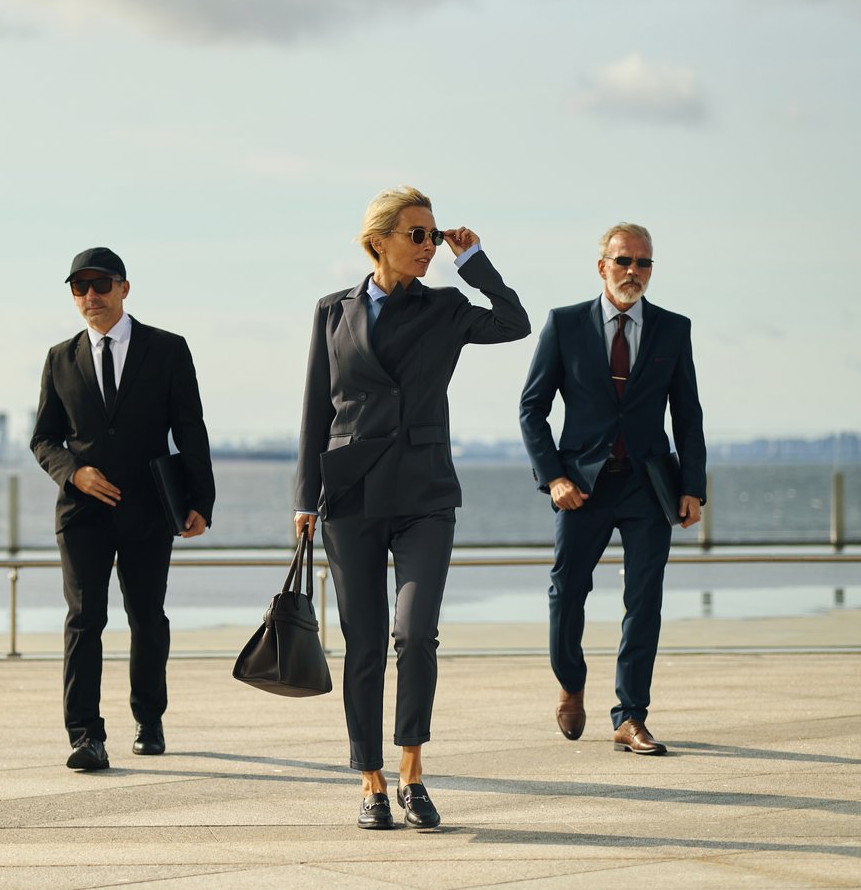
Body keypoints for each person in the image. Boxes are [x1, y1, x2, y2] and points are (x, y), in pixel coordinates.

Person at [294, 186, 531, 829]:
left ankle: (412, 771)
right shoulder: (332, 311)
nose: (429, 247)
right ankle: (370, 780)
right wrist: (303, 499)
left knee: (414, 633)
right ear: (380, 241)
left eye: (433, 235)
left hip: (425, 493)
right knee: (364, 641)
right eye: (417, 235)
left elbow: (515, 322)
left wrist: (473, 259)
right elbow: (318, 407)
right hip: (349, 495)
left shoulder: (447, 307)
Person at [518, 222, 706, 756]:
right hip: (581, 486)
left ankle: (630, 715)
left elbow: (687, 413)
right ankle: (571, 681)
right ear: (602, 265)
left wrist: (693, 485)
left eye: (644, 263)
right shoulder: (566, 324)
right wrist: (554, 476)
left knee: (644, 601)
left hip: (650, 487)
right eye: (624, 261)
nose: (633, 272)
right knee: (566, 591)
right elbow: (532, 409)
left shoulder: (673, 329)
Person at [31, 246, 216, 771]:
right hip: (82, 512)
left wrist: (200, 500)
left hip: (148, 508)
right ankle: (85, 735)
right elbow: (43, 439)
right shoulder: (59, 358)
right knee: (85, 619)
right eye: (79, 288)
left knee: (147, 618)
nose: (91, 296)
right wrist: (74, 472)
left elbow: (191, 429)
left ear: (124, 288)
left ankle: (149, 718)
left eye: (101, 285)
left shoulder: (168, 349)